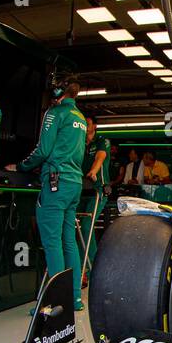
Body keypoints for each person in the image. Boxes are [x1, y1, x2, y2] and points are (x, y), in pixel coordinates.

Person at [6, 78, 88, 310]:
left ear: (59, 91)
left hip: (56, 182)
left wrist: (20, 166)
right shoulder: (80, 118)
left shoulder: (55, 113)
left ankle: (56, 301)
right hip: (74, 183)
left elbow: (43, 150)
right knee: (68, 241)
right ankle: (75, 298)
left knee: (52, 243)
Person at [79, 116, 108, 285]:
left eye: (87, 123)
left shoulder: (102, 141)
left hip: (97, 190)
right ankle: (80, 269)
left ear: (94, 126)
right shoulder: (79, 141)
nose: (84, 126)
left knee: (86, 226)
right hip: (80, 190)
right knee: (75, 227)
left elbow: (100, 157)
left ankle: (94, 269)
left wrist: (93, 171)